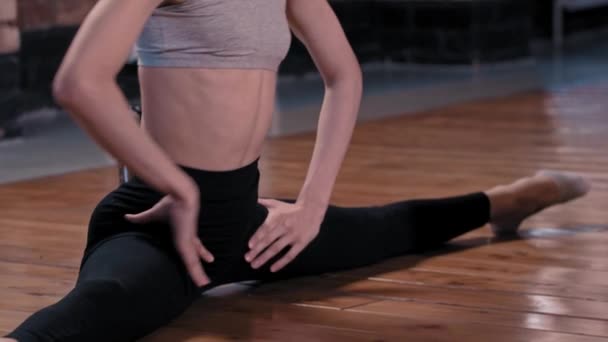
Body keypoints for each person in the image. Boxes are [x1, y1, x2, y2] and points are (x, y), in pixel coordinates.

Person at [3, 0, 590, 341]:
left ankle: (507, 200)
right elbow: (79, 82)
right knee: (104, 303)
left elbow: (344, 75)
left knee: (382, 229)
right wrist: (176, 184)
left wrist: (310, 205)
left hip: (246, 222)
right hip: (159, 228)